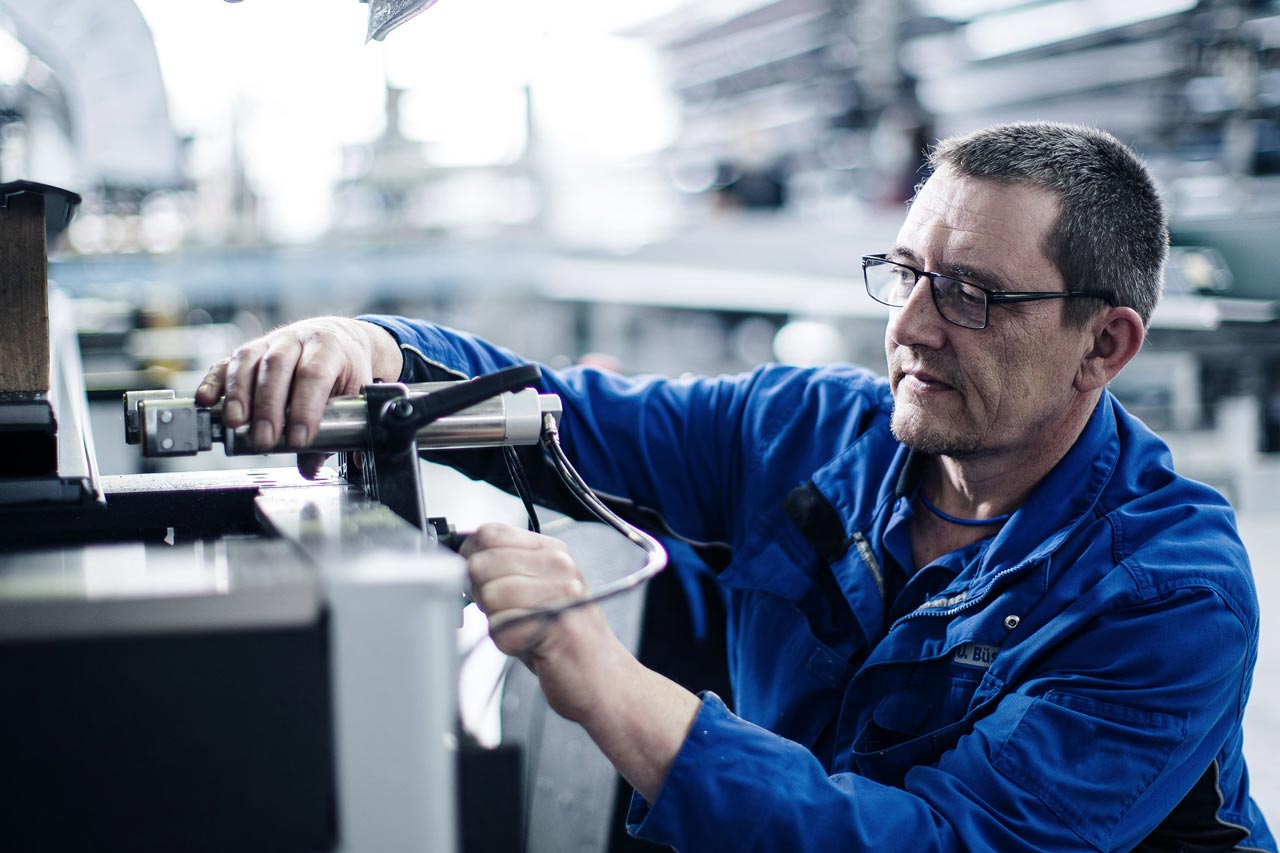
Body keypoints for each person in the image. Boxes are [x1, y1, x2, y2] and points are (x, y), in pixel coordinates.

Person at [197, 122, 1274, 851]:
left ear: (1104, 343)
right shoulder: (804, 433)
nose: (906, 327)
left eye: (971, 295)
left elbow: (946, 843)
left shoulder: (1165, 593)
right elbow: (566, 414)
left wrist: (608, 685)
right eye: (904, 274)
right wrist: (368, 347)